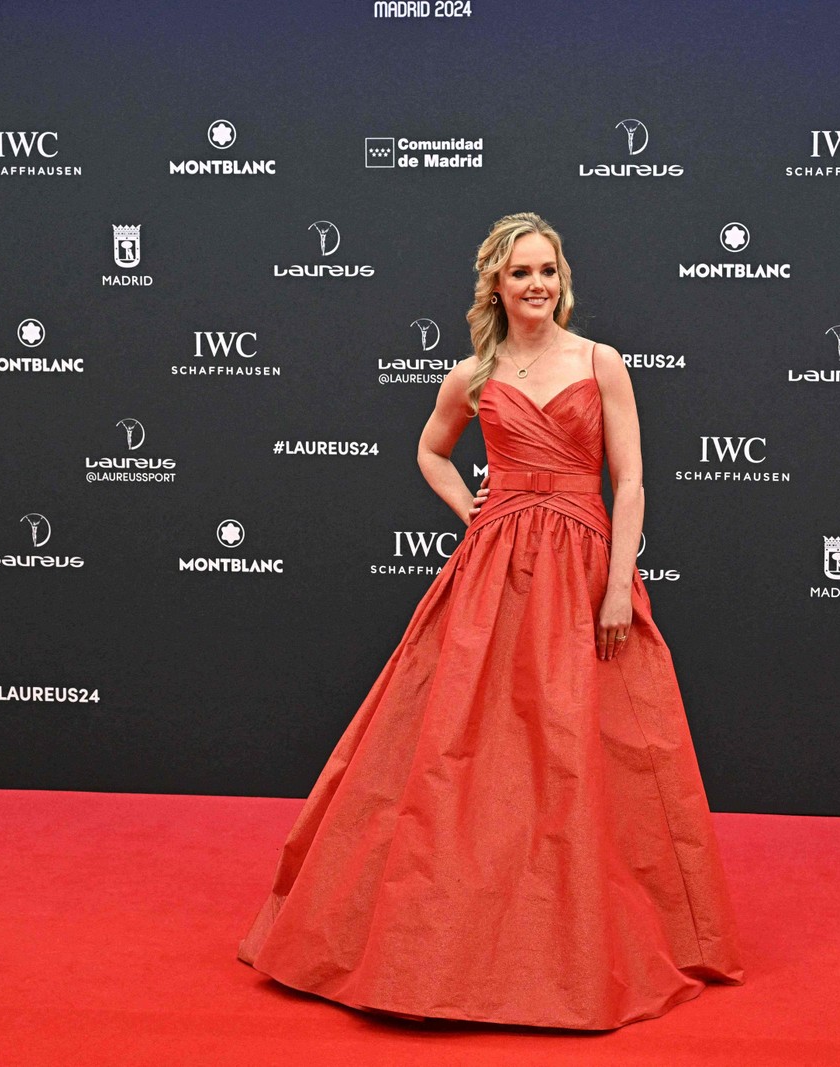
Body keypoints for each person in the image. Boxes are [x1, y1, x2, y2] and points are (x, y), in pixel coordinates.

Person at [236, 212, 744, 1030]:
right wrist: (466, 503)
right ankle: (445, 938)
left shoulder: (599, 362)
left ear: (562, 278)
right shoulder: (471, 373)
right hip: (493, 570)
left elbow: (633, 479)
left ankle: (579, 939)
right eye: (520, 273)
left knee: (585, 744)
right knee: (462, 751)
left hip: (581, 567)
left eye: (547, 270)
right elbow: (430, 450)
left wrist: (619, 587)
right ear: (496, 286)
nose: (536, 284)